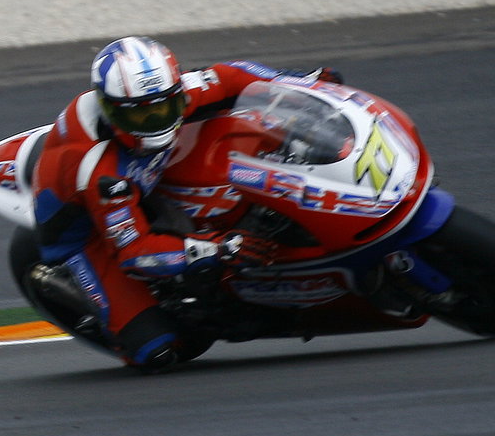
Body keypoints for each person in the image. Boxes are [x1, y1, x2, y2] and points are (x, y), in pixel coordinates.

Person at [27, 35, 342, 371]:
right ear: (111, 109)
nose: (157, 122)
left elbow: (230, 76)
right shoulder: (103, 173)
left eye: (166, 107)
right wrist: (219, 249)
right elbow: (136, 252)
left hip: (146, 174)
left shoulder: (161, 96)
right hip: (89, 229)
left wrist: (298, 82)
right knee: (157, 352)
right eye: (142, 116)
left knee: (252, 134)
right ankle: (72, 287)